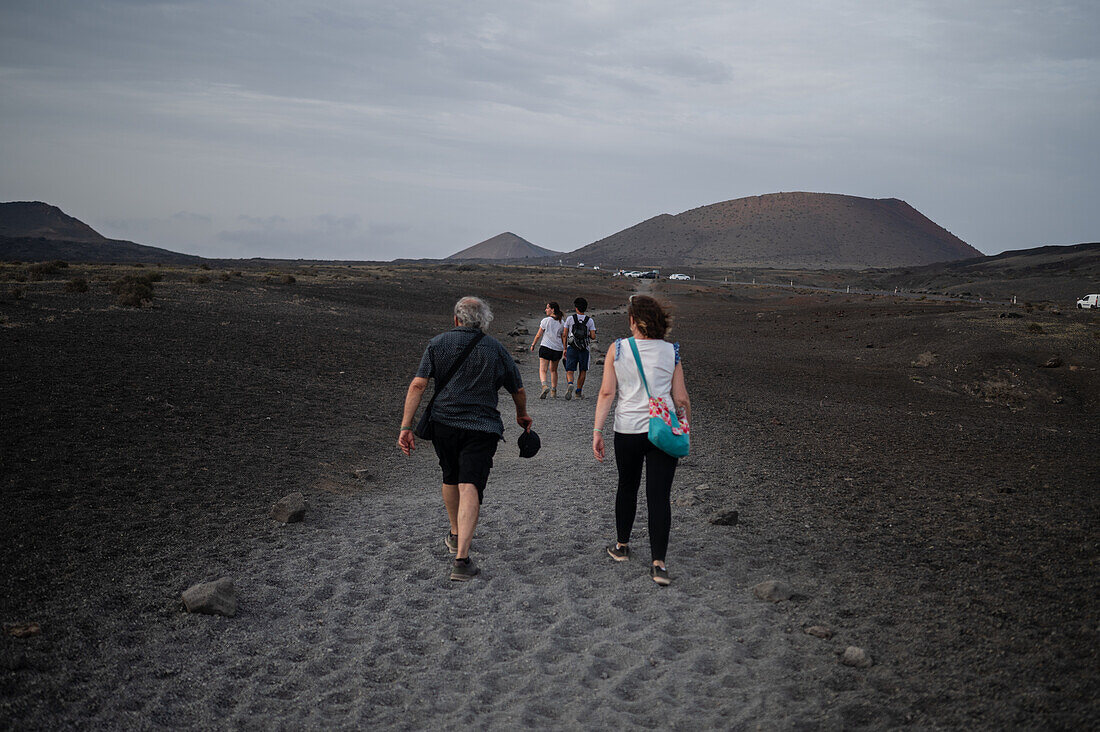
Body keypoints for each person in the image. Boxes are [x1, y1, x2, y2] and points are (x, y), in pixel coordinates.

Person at [399, 296, 533, 582]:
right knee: (470, 483)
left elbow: (418, 384)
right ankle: (461, 559)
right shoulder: (496, 349)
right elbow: (517, 388)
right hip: (482, 427)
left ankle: (455, 532)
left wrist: (405, 426)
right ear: (483, 321)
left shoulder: (437, 344)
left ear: (456, 318)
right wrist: (522, 414)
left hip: (443, 423)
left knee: (450, 476)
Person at [591, 295, 690, 586]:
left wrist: (598, 431)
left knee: (627, 485)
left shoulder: (618, 348)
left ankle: (621, 546)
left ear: (633, 321)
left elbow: (607, 393)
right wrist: (685, 427)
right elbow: (681, 397)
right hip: (663, 430)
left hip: (628, 428)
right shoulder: (671, 352)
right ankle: (658, 563)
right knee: (659, 495)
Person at [529, 301, 566, 399]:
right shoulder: (562, 322)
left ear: (552, 309)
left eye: (547, 308)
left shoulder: (546, 321)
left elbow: (538, 335)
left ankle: (544, 386)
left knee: (543, 370)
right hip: (557, 349)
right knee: (554, 370)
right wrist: (565, 348)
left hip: (545, 347)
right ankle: (554, 391)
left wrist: (533, 344)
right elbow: (563, 337)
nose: (546, 310)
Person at [562, 297, 597, 400]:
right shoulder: (590, 320)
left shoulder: (570, 319)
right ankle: (578, 392)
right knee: (583, 370)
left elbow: (564, 334)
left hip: (571, 347)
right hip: (584, 349)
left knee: (570, 369)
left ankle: (570, 383)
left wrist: (564, 348)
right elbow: (593, 336)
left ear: (576, 307)